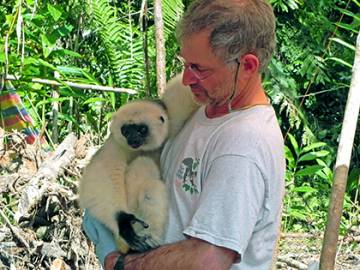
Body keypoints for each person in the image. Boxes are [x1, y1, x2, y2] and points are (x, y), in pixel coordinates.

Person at [82, 0, 285, 269]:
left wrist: (120, 265)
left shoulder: (243, 145)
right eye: (185, 64)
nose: (187, 79)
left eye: (199, 68)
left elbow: (207, 260)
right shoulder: (202, 106)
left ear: (247, 66)